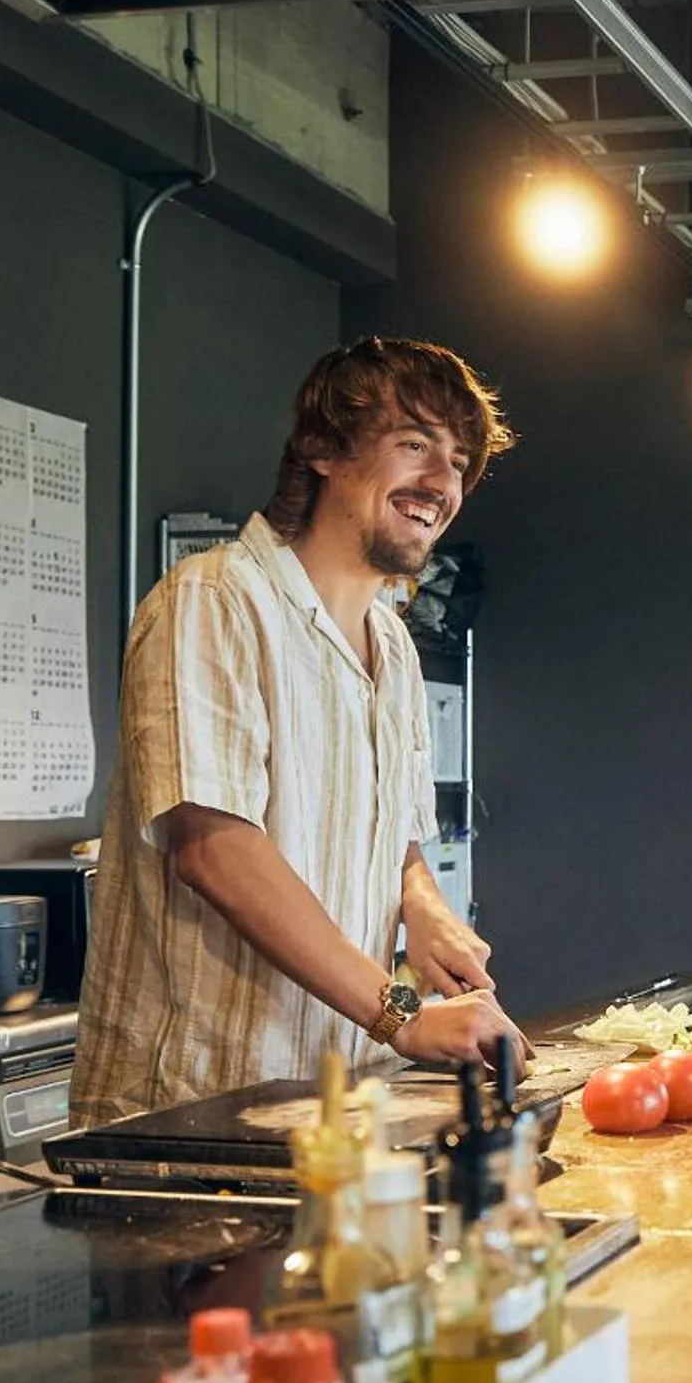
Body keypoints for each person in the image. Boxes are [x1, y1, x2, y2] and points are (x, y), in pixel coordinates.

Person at [75, 338, 526, 1125]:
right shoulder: (214, 598)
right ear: (322, 448)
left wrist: (422, 904)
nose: (442, 482)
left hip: (334, 1105)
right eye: (414, 444)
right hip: (194, 1114)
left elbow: (396, 839)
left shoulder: (392, 646)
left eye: (458, 461)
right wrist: (401, 1016)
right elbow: (215, 849)